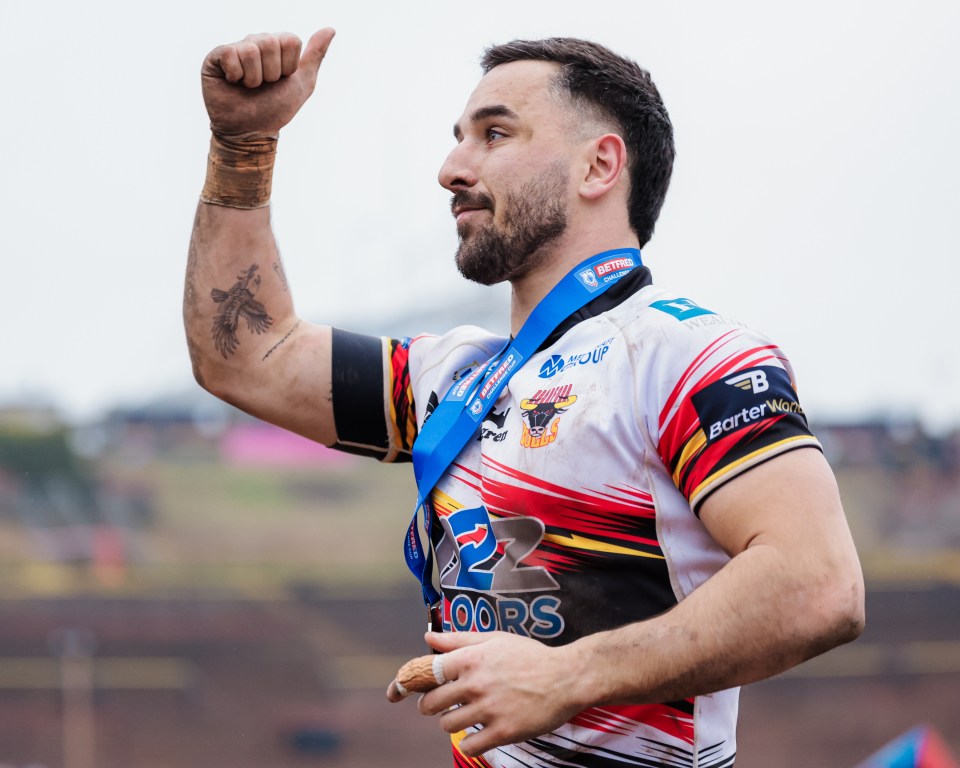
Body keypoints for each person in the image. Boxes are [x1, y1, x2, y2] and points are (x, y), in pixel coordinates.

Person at [184, 28, 865, 767]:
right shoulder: (454, 376)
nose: (451, 169)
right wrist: (243, 147)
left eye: (494, 134)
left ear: (599, 165)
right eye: (458, 139)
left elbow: (818, 584)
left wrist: (568, 676)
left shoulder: (686, 354)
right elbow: (245, 356)